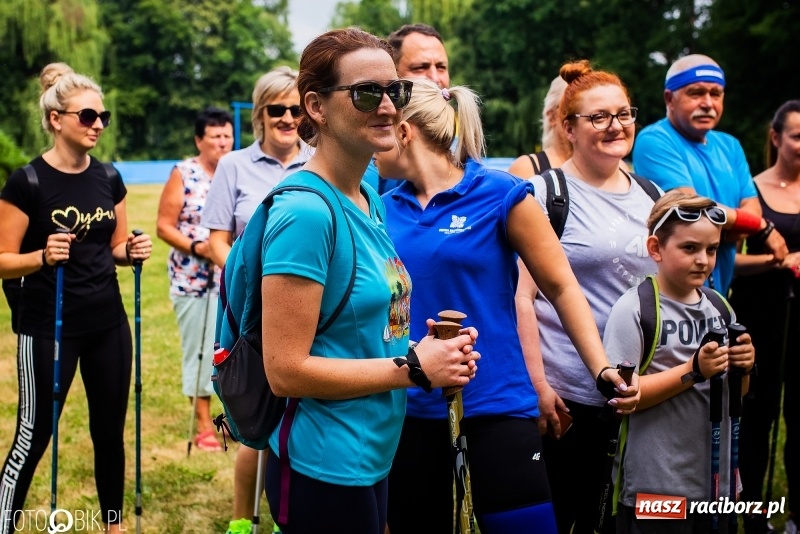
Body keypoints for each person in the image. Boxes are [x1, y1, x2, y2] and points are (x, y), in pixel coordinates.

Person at [378, 77, 640, 533]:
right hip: (409, 410)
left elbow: (561, 287)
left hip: (497, 408)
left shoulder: (500, 194)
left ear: (405, 132)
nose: (371, 141)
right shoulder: (380, 209)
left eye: (381, 128)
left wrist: (601, 370)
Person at [250, 28, 480, 534]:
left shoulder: (367, 198)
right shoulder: (307, 213)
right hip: (323, 462)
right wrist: (414, 368)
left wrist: (431, 350)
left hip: (372, 453)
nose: (387, 107)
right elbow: (285, 371)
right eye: (365, 93)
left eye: (394, 91)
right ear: (315, 106)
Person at [0, 62, 152, 534]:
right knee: (35, 432)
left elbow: (113, 249)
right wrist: (42, 256)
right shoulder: (27, 183)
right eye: (87, 116)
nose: (98, 125)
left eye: (102, 116)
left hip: (107, 322)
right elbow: (2, 258)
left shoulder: (109, 177)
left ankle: (113, 524)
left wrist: (132, 251)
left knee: (109, 431)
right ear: (55, 119)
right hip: (48, 324)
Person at [514, 60, 659, 534]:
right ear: (567, 126)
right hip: (568, 400)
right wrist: (538, 386)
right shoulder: (543, 193)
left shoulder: (649, 195)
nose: (616, 125)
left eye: (624, 113)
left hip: (640, 397)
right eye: (599, 117)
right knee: (561, 518)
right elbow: (522, 295)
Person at [603, 190, 755, 533]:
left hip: (717, 484)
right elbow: (622, 399)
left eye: (712, 249)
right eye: (690, 248)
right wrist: (693, 370)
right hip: (657, 486)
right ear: (656, 248)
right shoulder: (635, 309)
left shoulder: (720, 307)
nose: (703, 260)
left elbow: (738, 393)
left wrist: (743, 367)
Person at [200, 66, 310, 534]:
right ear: (259, 114)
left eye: (295, 108)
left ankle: (290, 513)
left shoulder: (322, 162)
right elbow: (216, 241)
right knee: (255, 419)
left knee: (300, 421)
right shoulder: (234, 166)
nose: (287, 118)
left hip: (309, 310)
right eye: (276, 109)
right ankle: (242, 520)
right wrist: (249, 281)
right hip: (250, 315)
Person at [632, 53, 788, 296]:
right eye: (696, 93)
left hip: (719, 300)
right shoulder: (655, 140)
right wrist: (759, 226)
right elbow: (691, 210)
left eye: (715, 94)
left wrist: (734, 225)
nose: (707, 103)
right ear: (669, 98)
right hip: (672, 303)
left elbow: (751, 209)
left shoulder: (730, 146)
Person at [729, 100, 800, 534]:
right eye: (796, 136)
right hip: (760, 315)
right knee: (757, 423)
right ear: (775, 138)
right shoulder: (750, 191)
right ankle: (754, 519)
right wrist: (782, 261)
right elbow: (726, 263)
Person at [155, 106, 233, 452]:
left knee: (229, 349)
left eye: (227, 136)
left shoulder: (235, 171)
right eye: (215, 136)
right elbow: (163, 226)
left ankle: (230, 417)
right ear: (199, 140)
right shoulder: (184, 173)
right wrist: (196, 246)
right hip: (193, 280)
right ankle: (203, 425)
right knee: (200, 351)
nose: (222, 142)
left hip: (230, 278)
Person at [378, 23, 450, 195]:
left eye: (441, 67)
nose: (434, 78)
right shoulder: (372, 157)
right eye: (420, 67)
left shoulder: (464, 150)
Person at [507, 75, 571, 178]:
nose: (580, 115)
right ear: (552, 117)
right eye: (571, 107)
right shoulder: (527, 169)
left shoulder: (600, 167)